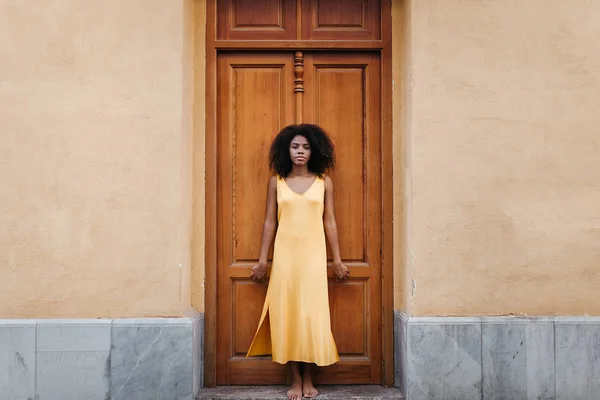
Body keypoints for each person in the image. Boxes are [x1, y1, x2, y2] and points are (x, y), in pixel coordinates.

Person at [246, 124, 350, 400]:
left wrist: (337, 260)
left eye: (305, 147)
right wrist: (262, 261)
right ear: (287, 150)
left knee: (312, 316)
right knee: (289, 315)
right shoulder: (276, 182)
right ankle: (294, 378)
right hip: (285, 260)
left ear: (313, 151)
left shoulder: (323, 182)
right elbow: (270, 222)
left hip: (314, 259)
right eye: (295, 147)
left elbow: (330, 222)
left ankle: (309, 376)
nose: (300, 152)